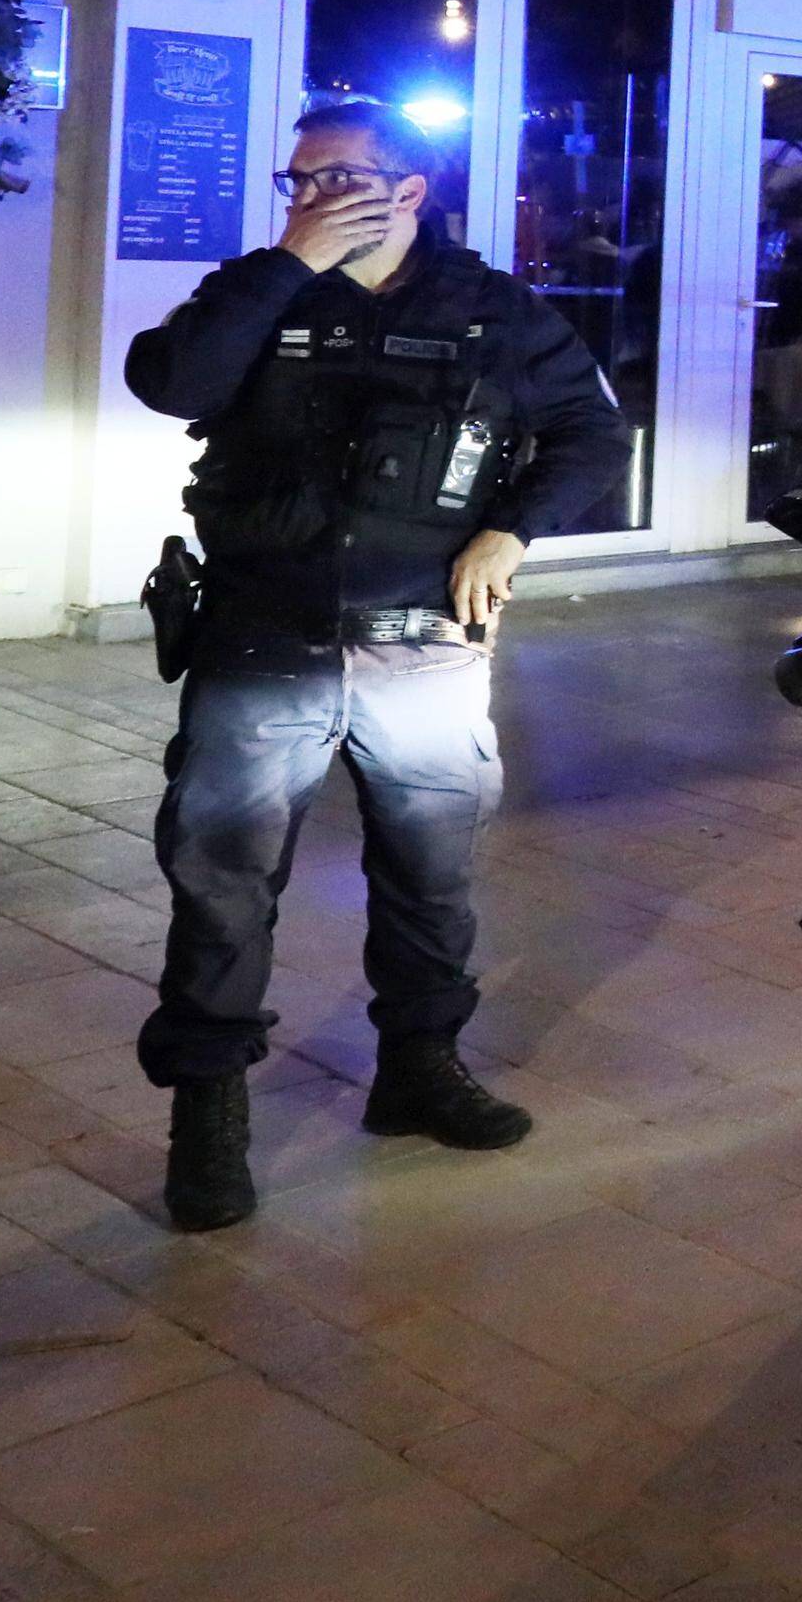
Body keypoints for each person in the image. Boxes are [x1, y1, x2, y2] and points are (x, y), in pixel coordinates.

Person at [120, 96, 634, 1234]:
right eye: (296, 181)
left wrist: (513, 531)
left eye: (334, 181)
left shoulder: (491, 311)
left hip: (425, 642)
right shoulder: (260, 288)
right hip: (265, 629)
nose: (307, 200)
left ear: (408, 193)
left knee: (429, 868)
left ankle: (418, 1070)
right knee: (222, 875)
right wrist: (286, 263)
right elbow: (173, 383)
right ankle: (208, 1115)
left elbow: (594, 435)